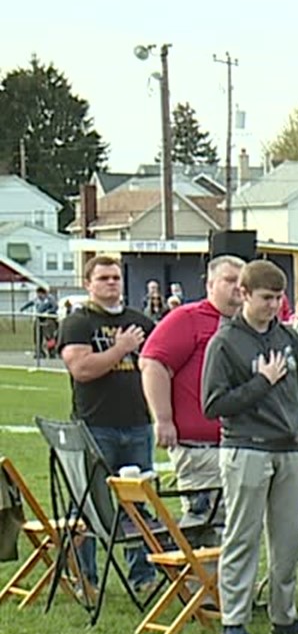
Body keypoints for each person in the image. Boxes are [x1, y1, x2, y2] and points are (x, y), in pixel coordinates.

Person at [200, 260, 298, 634]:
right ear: (244, 294)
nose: (273, 305)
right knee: (242, 535)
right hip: (245, 448)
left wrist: (293, 420)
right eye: (266, 298)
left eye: (279, 298)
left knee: (287, 538)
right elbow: (213, 403)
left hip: (289, 448)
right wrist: (260, 384)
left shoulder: (289, 338)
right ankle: (234, 619)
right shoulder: (225, 342)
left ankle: (285, 615)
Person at [58, 254, 160, 594]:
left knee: (137, 504)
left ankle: (142, 576)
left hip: (137, 425)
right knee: (88, 503)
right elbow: (82, 369)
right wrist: (121, 349)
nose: (111, 283)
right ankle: (84, 576)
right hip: (95, 426)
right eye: (103, 278)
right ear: (88, 284)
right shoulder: (78, 323)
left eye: (116, 277)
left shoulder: (141, 321)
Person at [139, 255, 245, 525]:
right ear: (210, 284)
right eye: (229, 280)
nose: (238, 287)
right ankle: (194, 566)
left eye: (242, 281)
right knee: (208, 526)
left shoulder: (249, 325)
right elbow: (153, 364)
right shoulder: (188, 318)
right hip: (199, 448)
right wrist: (163, 419)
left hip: (239, 445)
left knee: (236, 527)